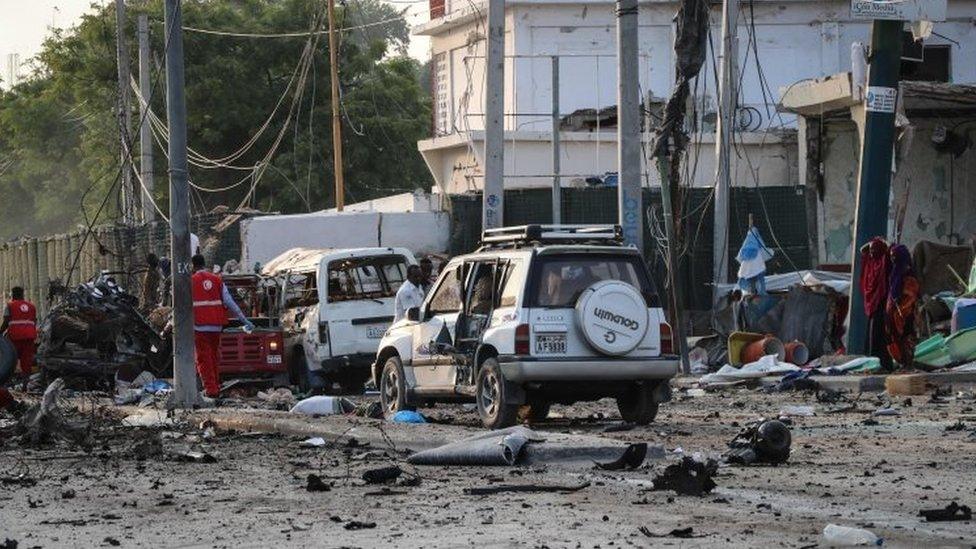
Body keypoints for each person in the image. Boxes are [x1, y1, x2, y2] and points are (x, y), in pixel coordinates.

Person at [191, 254, 253, 400]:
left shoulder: (191, 281)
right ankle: (215, 385)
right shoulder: (217, 280)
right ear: (204, 264)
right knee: (213, 357)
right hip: (216, 326)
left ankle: (211, 390)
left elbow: (183, 305)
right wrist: (245, 320)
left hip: (199, 326)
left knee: (203, 359)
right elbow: (230, 302)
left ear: (192, 266)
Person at [1, 287, 37, 391]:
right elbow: (34, 321)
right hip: (29, 337)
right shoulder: (31, 306)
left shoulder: (10, 305)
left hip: (15, 337)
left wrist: (0, 332)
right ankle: (25, 387)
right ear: (22, 294)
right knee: (27, 362)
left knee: (10, 361)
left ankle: (7, 385)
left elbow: (6, 321)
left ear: (12, 295)